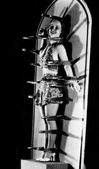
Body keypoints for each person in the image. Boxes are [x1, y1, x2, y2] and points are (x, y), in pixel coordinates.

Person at [34, 19, 80, 162]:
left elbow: (66, 65)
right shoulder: (45, 48)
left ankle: (49, 153)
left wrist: (72, 79)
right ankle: (50, 153)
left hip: (53, 85)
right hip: (43, 86)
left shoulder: (59, 47)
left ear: (61, 31)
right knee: (47, 121)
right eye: (51, 26)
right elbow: (41, 54)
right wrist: (43, 38)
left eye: (57, 27)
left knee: (51, 120)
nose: (53, 29)